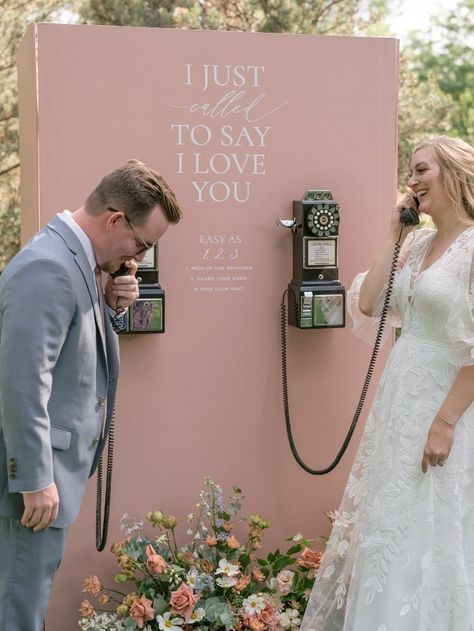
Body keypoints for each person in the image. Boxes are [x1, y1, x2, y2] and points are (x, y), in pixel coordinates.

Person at [301, 136, 474, 630]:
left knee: (436, 528)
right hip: (400, 406)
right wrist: (394, 236)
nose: (413, 180)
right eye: (410, 172)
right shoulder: (416, 244)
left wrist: (444, 422)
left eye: (422, 170)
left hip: (448, 408)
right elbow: (369, 304)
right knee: (391, 532)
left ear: (455, 172)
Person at [0, 159, 182, 630]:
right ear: (115, 219)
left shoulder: (80, 263)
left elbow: (69, 351)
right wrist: (35, 480)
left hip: (51, 482)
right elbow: (21, 381)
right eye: (140, 244)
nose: (138, 257)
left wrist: (110, 305)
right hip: (29, 489)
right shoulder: (49, 267)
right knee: (17, 613)